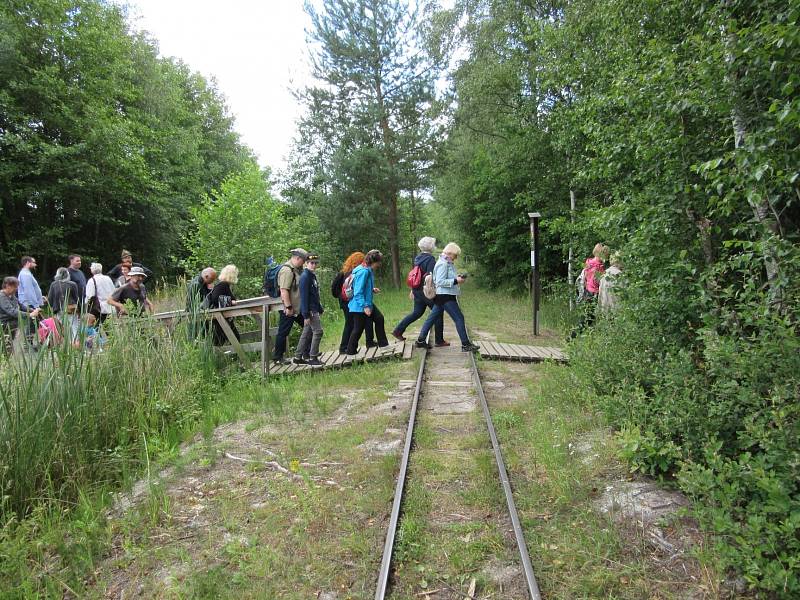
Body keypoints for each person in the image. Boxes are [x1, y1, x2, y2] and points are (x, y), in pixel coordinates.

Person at [415, 243, 479, 352]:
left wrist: (457, 278)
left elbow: (446, 277)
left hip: (445, 294)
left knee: (432, 318)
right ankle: (465, 344)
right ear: (449, 253)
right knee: (459, 318)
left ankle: (420, 340)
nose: (456, 257)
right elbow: (439, 281)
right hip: (445, 295)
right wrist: (455, 281)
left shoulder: (447, 262)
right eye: (455, 255)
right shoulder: (443, 264)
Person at [392, 236, 446, 346]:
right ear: (431, 247)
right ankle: (439, 340)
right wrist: (433, 292)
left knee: (417, 313)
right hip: (426, 291)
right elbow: (429, 276)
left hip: (417, 290)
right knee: (438, 313)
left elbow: (415, 274)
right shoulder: (430, 259)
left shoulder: (418, 258)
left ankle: (398, 330)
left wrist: (413, 289)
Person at [345, 249, 389, 355]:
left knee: (379, 318)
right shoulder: (363, 272)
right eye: (378, 262)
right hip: (359, 305)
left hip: (365, 302)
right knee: (358, 329)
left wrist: (372, 289)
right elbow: (358, 292)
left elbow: (361, 286)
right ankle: (350, 352)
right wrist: (365, 306)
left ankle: (384, 345)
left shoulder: (364, 268)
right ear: (374, 262)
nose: (379, 265)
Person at [331, 252, 376, 354]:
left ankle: (366, 342)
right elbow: (335, 289)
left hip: (348, 301)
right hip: (350, 302)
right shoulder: (354, 273)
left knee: (361, 322)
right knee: (351, 324)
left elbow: (334, 289)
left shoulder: (344, 273)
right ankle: (344, 348)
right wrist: (344, 296)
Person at [272, 248, 308, 365]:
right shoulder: (287, 271)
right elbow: (284, 290)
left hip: (298, 308)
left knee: (309, 327)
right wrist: (288, 307)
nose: (304, 263)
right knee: (283, 332)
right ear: (298, 258)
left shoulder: (296, 269)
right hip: (290, 309)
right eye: (303, 261)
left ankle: (307, 352)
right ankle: (278, 357)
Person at [294, 254, 324, 366]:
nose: (314, 265)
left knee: (306, 332)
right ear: (306, 263)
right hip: (310, 310)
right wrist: (306, 314)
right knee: (318, 331)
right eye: (312, 263)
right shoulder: (305, 277)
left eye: (316, 263)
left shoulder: (312, 275)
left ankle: (297, 357)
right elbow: (304, 297)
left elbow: (314, 294)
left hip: (314, 308)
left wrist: (319, 308)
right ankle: (313, 357)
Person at [0, 276, 41, 353]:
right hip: (5, 326)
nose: (16, 289)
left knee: (10, 347)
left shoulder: (12, 295)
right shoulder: (1, 296)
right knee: (6, 348)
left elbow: (21, 306)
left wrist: (33, 310)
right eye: (15, 287)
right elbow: (12, 311)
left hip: (13, 326)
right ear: (8, 286)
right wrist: (30, 315)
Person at [207, 264, 239, 345]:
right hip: (220, 318)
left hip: (222, 318)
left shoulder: (225, 285)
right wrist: (230, 302)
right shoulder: (223, 285)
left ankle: (223, 356)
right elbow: (215, 298)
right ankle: (233, 356)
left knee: (220, 341)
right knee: (233, 339)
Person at [48, 267, 80, 338]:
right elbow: (76, 298)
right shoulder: (73, 284)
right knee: (73, 328)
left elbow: (50, 299)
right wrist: (80, 310)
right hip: (71, 310)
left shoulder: (53, 284)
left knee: (61, 328)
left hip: (59, 310)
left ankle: (64, 345)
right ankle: (74, 345)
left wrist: (52, 310)